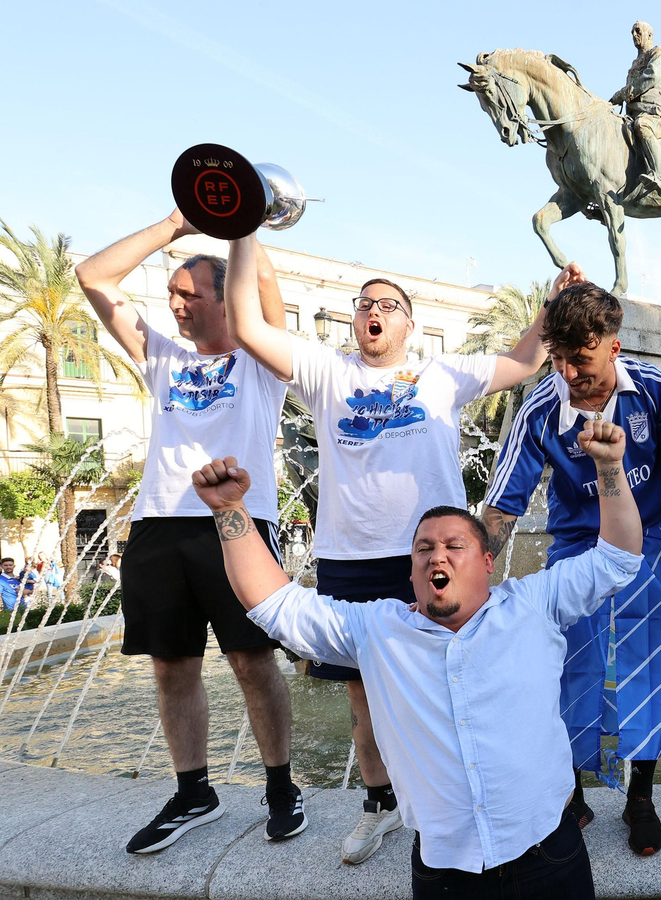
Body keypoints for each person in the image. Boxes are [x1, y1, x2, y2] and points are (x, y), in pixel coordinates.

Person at [190, 420, 643, 899]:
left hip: (549, 853)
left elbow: (616, 560)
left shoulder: (534, 604)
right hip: (444, 872)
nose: (436, 556)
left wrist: (610, 466)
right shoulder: (377, 630)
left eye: (454, 546)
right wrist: (229, 510)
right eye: (423, 549)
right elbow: (275, 605)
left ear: (487, 562)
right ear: (412, 572)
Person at [222, 235, 551, 863]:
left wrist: (552, 304)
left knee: (457, 675)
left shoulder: (442, 374)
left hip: (435, 556)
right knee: (362, 692)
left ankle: (460, 798)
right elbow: (246, 326)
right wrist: (241, 232)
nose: (373, 311)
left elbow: (523, 360)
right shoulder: (325, 371)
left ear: (409, 324)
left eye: (388, 305)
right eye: (364, 303)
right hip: (350, 558)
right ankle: (380, 803)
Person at [74, 210, 303, 853]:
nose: (174, 304)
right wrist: (176, 226)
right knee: (172, 666)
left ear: (224, 299)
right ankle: (193, 791)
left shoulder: (261, 360)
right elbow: (93, 276)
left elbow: (263, 282)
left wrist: (239, 218)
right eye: (171, 293)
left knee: (252, 661)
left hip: (236, 524)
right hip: (158, 526)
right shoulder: (163, 358)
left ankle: (281, 786)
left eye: (187, 293)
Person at [479, 280, 661, 856]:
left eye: (581, 360)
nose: (569, 373)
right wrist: (477, 570)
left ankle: (640, 797)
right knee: (567, 669)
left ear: (613, 347)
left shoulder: (653, 389)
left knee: (653, 668)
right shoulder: (541, 409)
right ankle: (570, 794)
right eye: (559, 360)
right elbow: (502, 507)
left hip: (648, 547)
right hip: (576, 551)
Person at [608, 21, 661, 202]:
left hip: (653, 112)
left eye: (638, 31)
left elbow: (650, 77)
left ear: (649, 35)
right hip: (631, 113)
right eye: (632, 32)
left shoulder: (659, 53)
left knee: (642, 126)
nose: (634, 34)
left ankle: (659, 177)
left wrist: (622, 94)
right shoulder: (634, 63)